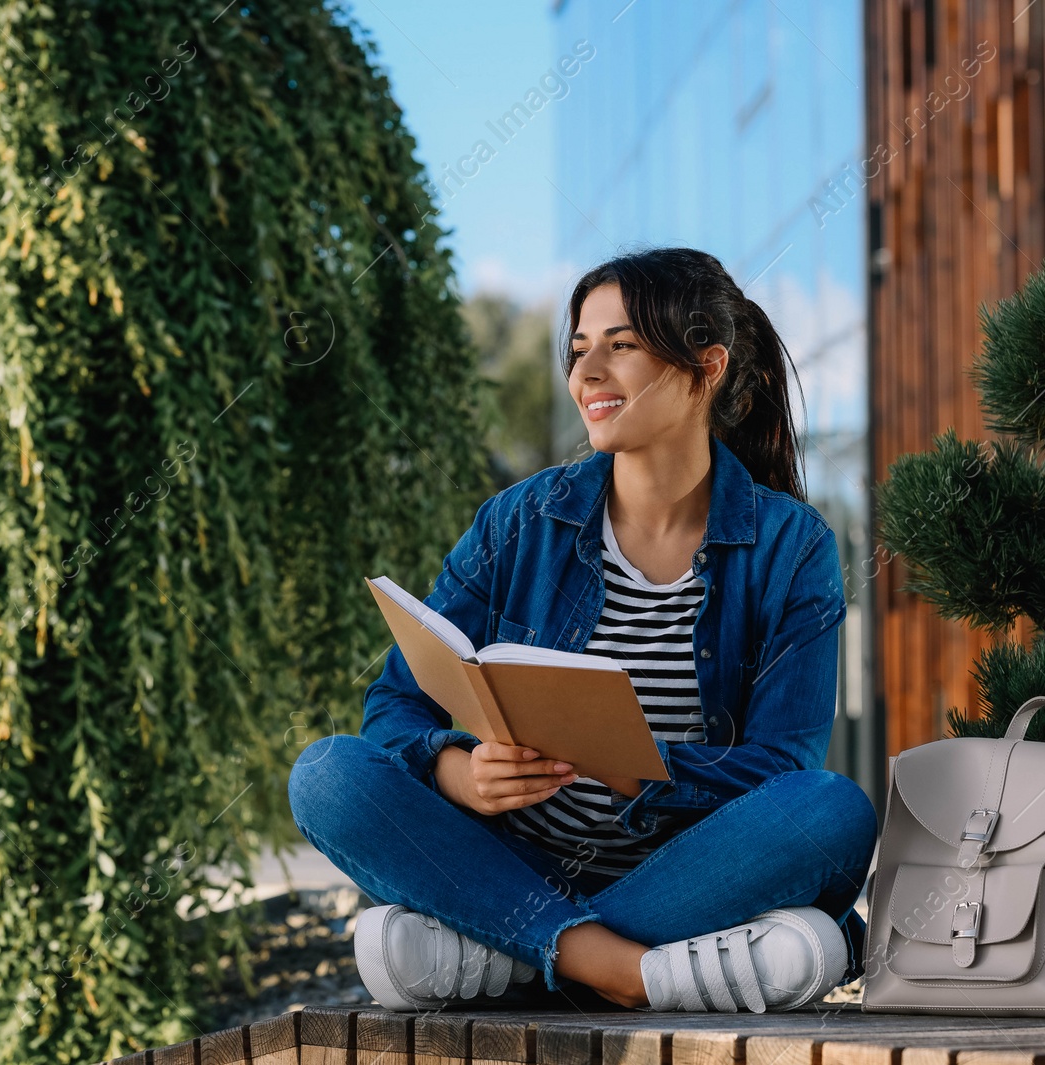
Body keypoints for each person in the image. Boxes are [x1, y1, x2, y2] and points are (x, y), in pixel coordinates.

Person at [287, 247, 877, 1013]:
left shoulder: (791, 545)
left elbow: (783, 765)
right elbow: (395, 705)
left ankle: (517, 953)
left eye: (621, 345)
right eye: (578, 349)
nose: (587, 372)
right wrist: (459, 773)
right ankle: (627, 969)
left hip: (690, 866)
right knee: (327, 774)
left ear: (707, 366)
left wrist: (634, 766)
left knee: (833, 810)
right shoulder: (520, 519)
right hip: (518, 856)